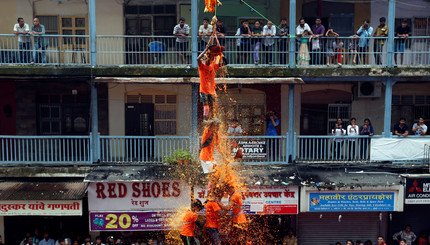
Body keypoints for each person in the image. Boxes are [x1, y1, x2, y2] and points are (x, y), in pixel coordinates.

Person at [197, 45, 221, 120]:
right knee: (206, 106)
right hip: (204, 90)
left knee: (213, 105)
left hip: (211, 90)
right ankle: (206, 120)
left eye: (209, 58)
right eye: (206, 58)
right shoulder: (202, 67)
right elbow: (198, 59)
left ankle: (213, 118)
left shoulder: (212, 66)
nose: (207, 60)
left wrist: (219, 54)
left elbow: (223, 62)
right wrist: (205, 50)